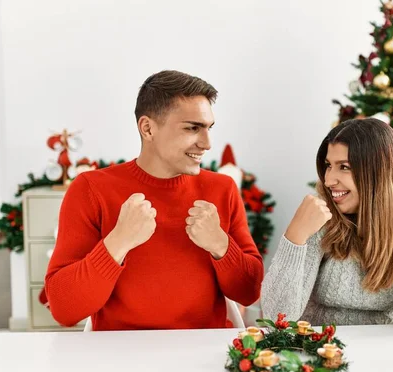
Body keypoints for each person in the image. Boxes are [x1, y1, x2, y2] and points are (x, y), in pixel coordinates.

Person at [45, 70, 263, 330]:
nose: (206, 143)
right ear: (148, 128)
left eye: (209, 128)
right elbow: (63, 309)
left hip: (204, 354)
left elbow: (249, 292)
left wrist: (220, 245)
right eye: (193, 128)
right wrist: (118, 242)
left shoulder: (222, 189)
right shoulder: (91, 189)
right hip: (120, 356)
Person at [261, 118, 393, 330]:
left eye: (344, 167)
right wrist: (295, 236)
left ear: (378, 171)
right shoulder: (320, 214)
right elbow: (277, 318)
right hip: (320, 347)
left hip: (388, 349)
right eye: (328, 166)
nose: (329, 180)